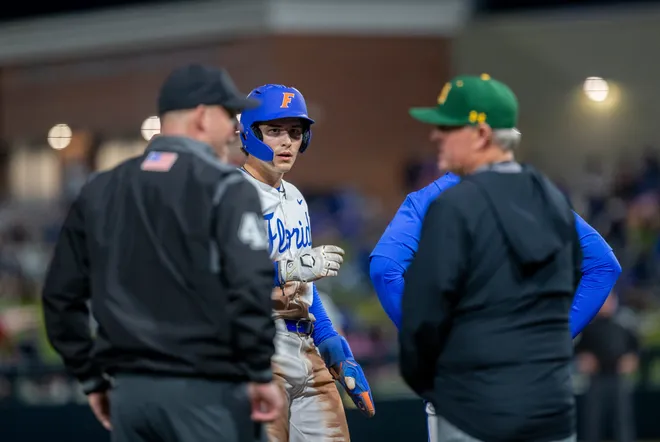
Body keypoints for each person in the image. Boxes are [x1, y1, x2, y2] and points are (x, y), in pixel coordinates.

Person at [42, 64, 283, 442]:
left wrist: (91, 379)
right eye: (228, 115)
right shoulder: (225, 188)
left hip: (130, 398)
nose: (236, 128)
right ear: (202, 117)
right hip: (208, 395)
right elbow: (250, 286)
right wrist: (259, 373)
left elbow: (60, 297)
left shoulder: (100, 189)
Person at [394, 73, 587, 442]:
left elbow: (422, 318)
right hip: (552, 406)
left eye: (448, 126)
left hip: (474, 410)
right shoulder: (555, 200)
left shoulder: (454, 206)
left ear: (481, 135)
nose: (436, 135)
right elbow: (574, 283)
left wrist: (432, 382)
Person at [237, 84, 375, 441]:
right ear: (249, 133)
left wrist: (332, 342)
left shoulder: (296, 197)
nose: (287, 142)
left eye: (295, 132)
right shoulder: (230, 194)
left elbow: (307, 288)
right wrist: (286, 270)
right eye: (274, 130)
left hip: (304, 345)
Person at [576, 292, 640, 442]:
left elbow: (635, 349)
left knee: (622, 419)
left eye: (609, 301)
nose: (606, 304)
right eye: (603, 301)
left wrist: (632, 360)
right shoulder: (587, 328)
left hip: (618, 378)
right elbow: (578, 351)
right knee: (592, 419)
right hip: (596, 379)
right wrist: (583, 359)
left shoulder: (622, 327)